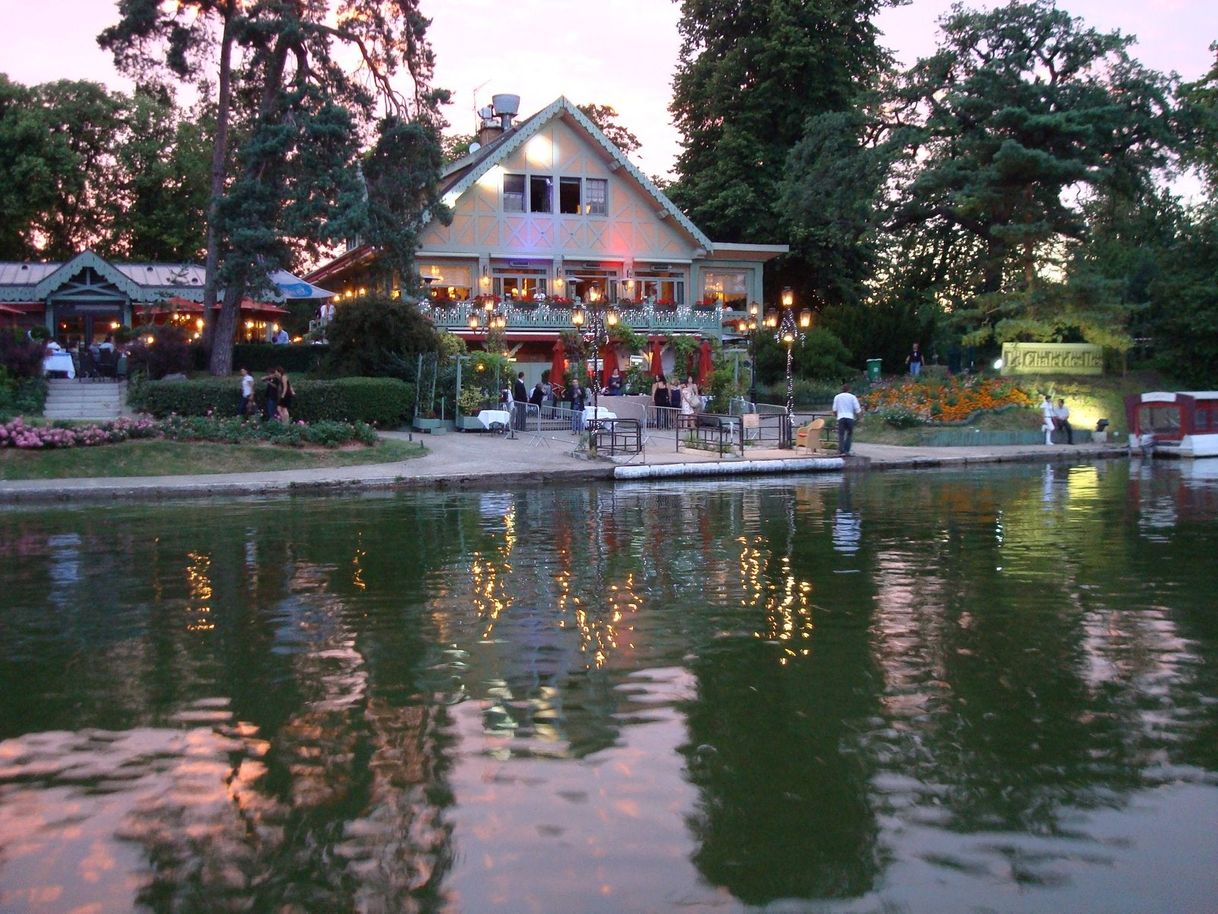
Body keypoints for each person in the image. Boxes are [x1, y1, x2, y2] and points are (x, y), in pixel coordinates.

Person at [832, 382, 863, 455]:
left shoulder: (837, 397)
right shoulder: (852, 397)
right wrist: (860, 418)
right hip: (849, 418)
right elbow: (857, 409)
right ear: (849, 389)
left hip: (841, 417)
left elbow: (834, 410)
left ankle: (840, 450)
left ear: (841, 389)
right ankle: (846, 450)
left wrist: (837, 416)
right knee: (849, 434)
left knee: (841, 434)